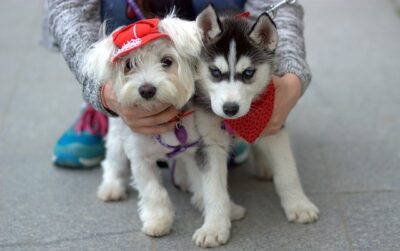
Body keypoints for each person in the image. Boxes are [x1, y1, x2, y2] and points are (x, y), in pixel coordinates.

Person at [43, 0, 311, 169]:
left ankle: (206, 105)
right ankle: (113, 100)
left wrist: (290, 73)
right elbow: (68, 7)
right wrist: (101, 90)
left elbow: (278, 5)